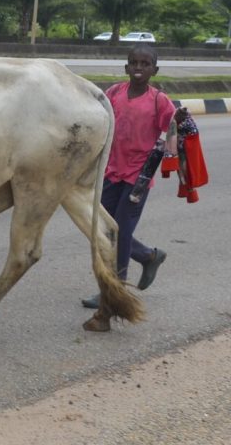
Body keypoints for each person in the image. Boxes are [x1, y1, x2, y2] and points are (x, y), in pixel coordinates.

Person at [82, 44, 189, 309]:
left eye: (145, 64)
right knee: (106, 231)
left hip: (138, 177)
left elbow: (172, 129)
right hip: (111, 171)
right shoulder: (114, 92)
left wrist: (180, 120)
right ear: (126, 67)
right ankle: (148, 256)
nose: (139, 68)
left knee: (120, 232)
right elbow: (98, 118)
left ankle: (114, 292)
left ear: (155, 69)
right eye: (134, 63)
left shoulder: (158, 100)